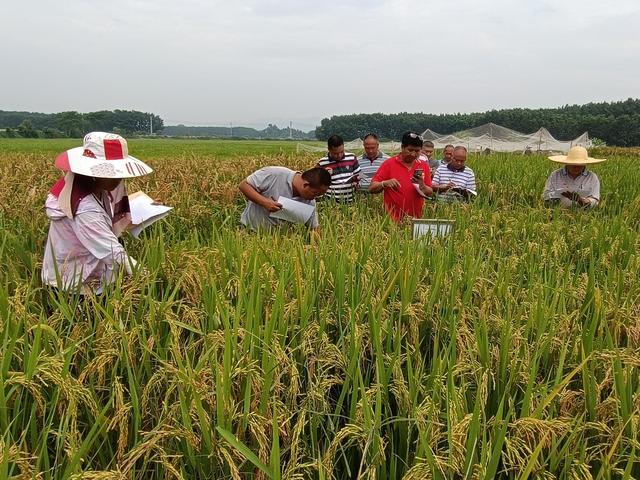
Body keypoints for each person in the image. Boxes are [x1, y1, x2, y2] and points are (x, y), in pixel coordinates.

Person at [42, 132, 153, 294]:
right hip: (74, 287)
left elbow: (109, 212)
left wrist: (148, 204)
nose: (119, 177)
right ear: (93, 172)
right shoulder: (85, 208)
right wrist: (147, 276)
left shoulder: (91, 188)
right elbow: (111, 250)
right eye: (112, 171)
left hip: (86, 276)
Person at [239, 166, 331, 231]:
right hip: (250, 231)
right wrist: (265, 202)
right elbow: (244, 185)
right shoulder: (274, 174)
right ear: (305, 185)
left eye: (320, 195)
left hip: (278, 242)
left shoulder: (309, 202)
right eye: (315, 193)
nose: (315, 198)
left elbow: (314, 228)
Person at [369, 132, 433, 221]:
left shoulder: (423, 165)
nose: (413, 154)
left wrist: (422, 185)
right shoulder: (389, 164)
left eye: (417, 151)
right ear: (402, 147)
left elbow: (430, 192)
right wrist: (384, 183)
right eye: (410, 150)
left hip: (416, 220)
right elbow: (372, 187)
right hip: (392, 221)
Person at [316, 135, 361, 202]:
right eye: (336, 153)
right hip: (331, 203)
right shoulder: (322, 163)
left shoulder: (352, 158)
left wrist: (356, 182)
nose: (339, 155)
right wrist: (324, 175)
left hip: (351, 201)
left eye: (342, 152)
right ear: (329, 149)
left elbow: (358, 176)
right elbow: (316, 184)